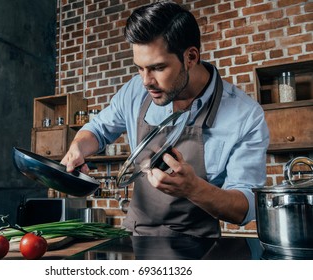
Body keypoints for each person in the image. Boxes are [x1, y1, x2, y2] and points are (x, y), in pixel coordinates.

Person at [61, 1, 269, 237]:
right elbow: (97, 129)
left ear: (191, 57)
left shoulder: (245, 115)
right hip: (135, 240)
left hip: (199, 247)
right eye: (139, 68)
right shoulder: (135, 92)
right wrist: (79, 146)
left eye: (158, 68)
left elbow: (246, 207)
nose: (146, 81)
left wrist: (194, 188)